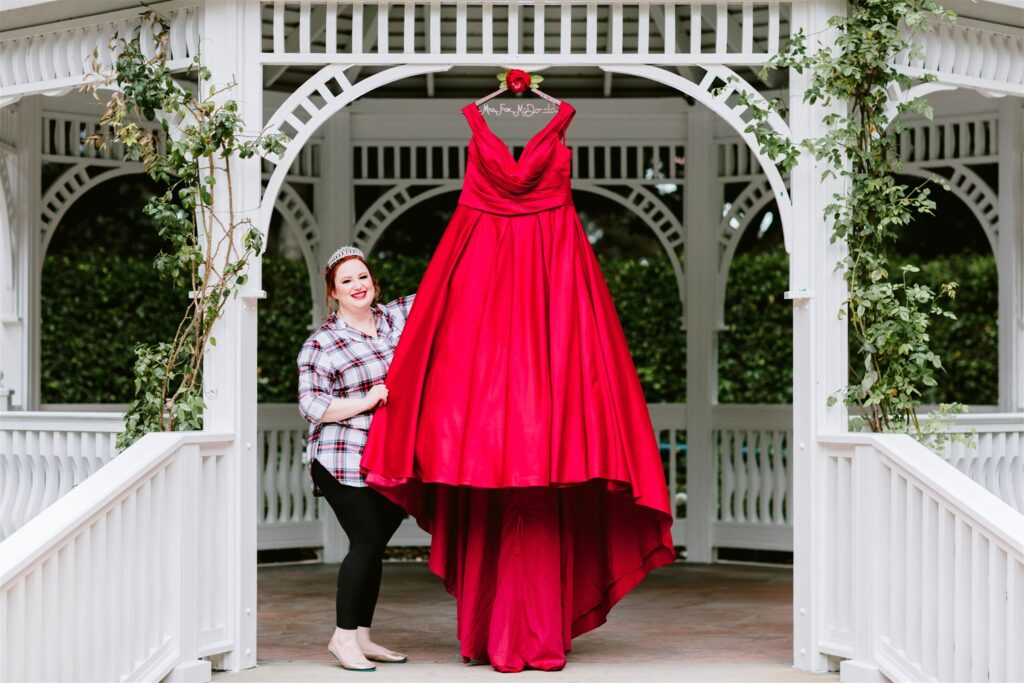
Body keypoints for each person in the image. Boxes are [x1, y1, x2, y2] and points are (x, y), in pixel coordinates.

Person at [361, 96, 675, 672]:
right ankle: (534, 637)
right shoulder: (554, 139)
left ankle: (488, 636)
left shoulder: (479, 132)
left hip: (481, 265)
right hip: (552, 271)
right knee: (543, 460)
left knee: (491, 474)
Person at [297, 245, 416, 672]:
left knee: (375, 544)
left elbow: (442, 294)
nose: (357, 286)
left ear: (373, 281)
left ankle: (363, 636)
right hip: (340, 456)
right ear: (333, 292)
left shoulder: (395, 318)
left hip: (386, 456)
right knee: (366, 539)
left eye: (362, 277)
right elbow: (312, 406)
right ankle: (343, 638)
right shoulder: (322, 343)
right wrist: (365, 401)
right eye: (346, 281)